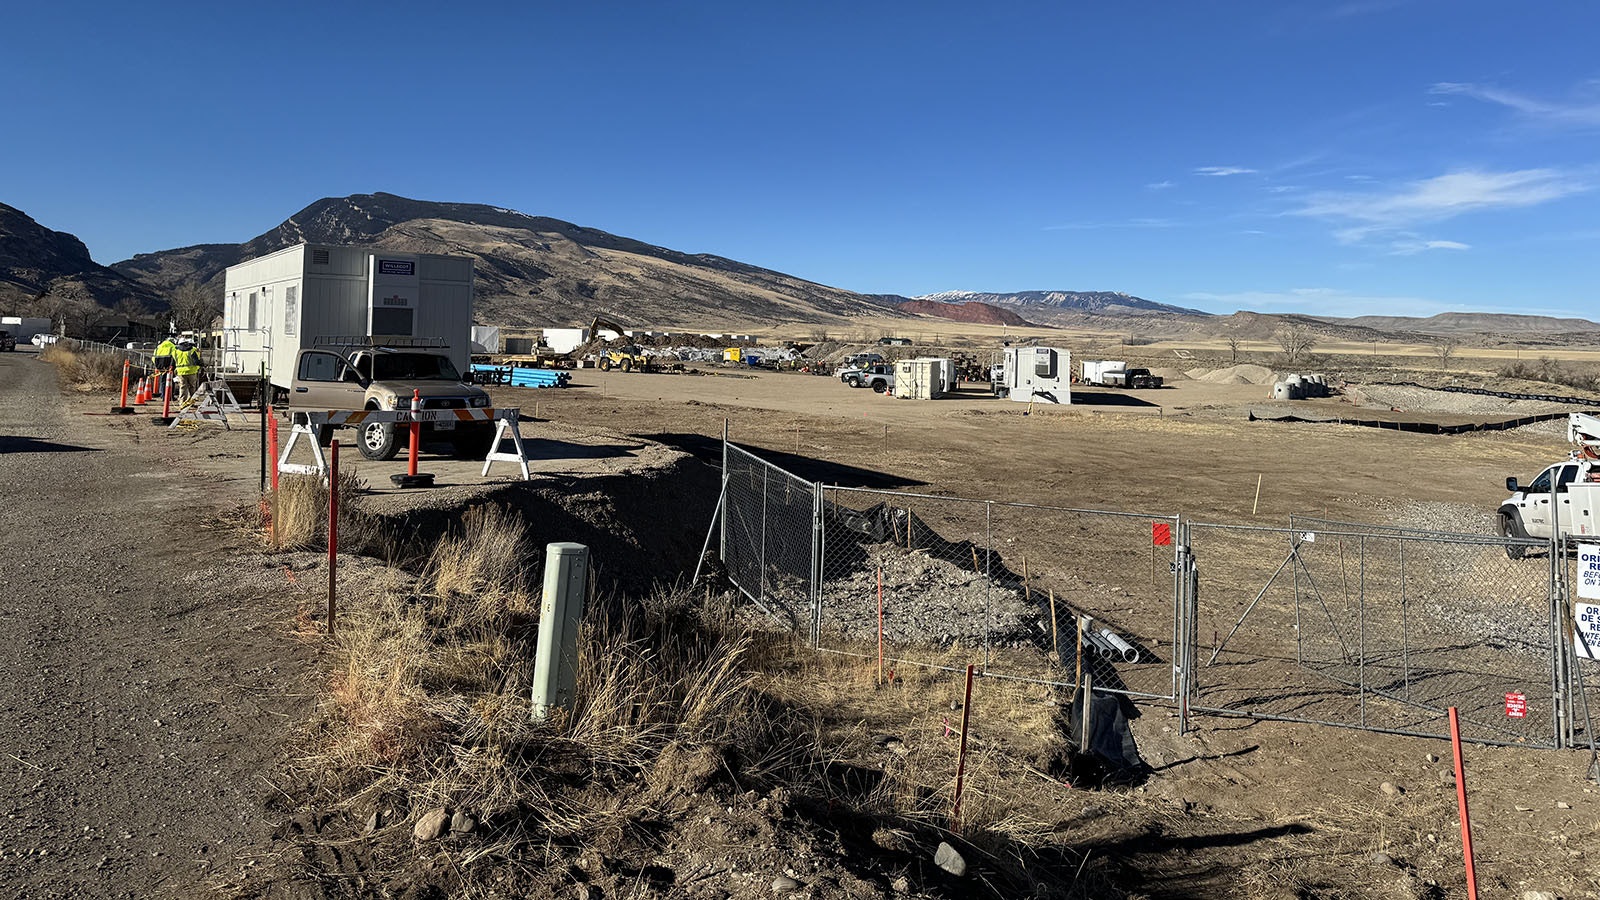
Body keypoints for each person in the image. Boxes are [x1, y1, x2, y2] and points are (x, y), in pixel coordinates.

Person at [172, 338, 204, 404]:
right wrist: (201, 364)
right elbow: (196, 361)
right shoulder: (191, 350)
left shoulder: (176, 351)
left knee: (183, 387)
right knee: (192, 387)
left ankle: (182, 402)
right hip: (192, 372)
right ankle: (192, 402)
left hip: (181, 372)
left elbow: (173, 362)